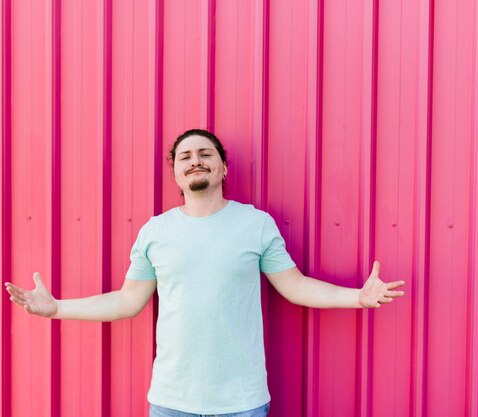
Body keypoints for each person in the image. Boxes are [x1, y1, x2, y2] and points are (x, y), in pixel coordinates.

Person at [5, 129, 405, 417]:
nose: (195, 159)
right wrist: (56, 308)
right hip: (171, 401)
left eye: (205, 153)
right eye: (185, 156)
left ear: (223, 168)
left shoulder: (255, 224)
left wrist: (357, 297)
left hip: (242, 402)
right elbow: (127, 301)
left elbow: (295, 286)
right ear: (177, 174)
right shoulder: (156, 231)